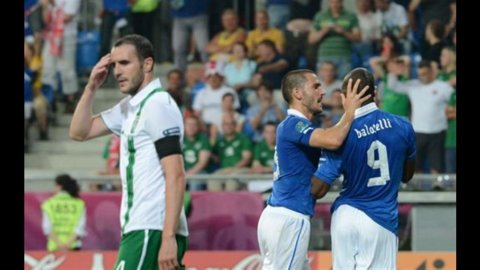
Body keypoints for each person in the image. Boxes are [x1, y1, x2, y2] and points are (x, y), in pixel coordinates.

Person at [69, 34, 188, 269]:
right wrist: (91, 86)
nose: (117, 71)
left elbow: (176, 174)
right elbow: (79, 132)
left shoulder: (158, 105)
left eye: (124, 63)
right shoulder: (129, 108)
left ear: (147, 64)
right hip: (140, 226)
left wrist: (168, 237)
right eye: (114, 64)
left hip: (151, 228)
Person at [257, 69, 370, 269]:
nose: (322, 91)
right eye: (315, 86)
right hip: (289, 219)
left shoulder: (293, 126)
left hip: (278, 216)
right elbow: (333, 140)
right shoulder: (293, 124)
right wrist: (350, 111)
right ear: (298, 93)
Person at [310, 68, 416, 269]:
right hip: (379, 218)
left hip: (345, 215)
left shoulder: (337, 135)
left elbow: (318, 188)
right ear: (375, 92)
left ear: (344, 97)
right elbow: (407, 175)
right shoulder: (403, 126)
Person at [41, 174, 86, 251]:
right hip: (73, 246)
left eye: (55, 186)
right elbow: (80, 228)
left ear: (60, 186)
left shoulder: (48, 204)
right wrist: (67, 244)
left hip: (54, 247)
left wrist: (59, 244)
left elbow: (47, 227)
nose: (54, 188)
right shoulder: (79, 204)